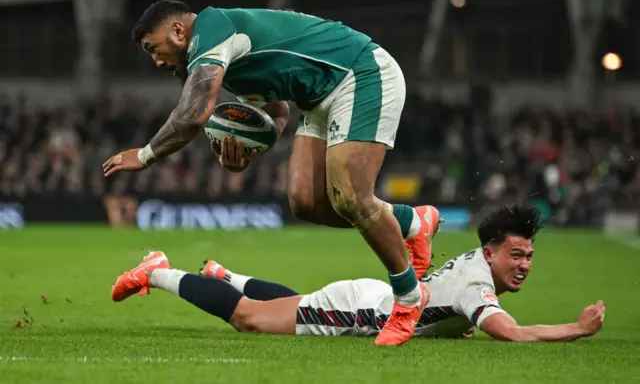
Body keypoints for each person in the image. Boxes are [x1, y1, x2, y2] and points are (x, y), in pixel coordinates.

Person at [102, 0, 439, 345]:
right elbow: (277, 111)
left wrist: (144, 156)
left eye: (152, 48)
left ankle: (409, 300)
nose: (156, 60)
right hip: (319, 96)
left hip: (360, 73)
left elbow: (193, 113)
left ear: (176, 31)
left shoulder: (212, 30)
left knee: (351, 196)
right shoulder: (226, 56)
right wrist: (249, 150)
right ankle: (412, 222)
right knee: (306, 201)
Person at [110, 205, 606, 342]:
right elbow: (512, 334)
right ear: (490, 252)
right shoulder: (478, 285)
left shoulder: (478, 270)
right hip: (366, 310)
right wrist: (576, 328)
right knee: (251, 320)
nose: (524, 265)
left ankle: (227, 274)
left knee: (298, 302)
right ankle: (157, 272)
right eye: (516, 255)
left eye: (529, 257)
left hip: (375, 298)